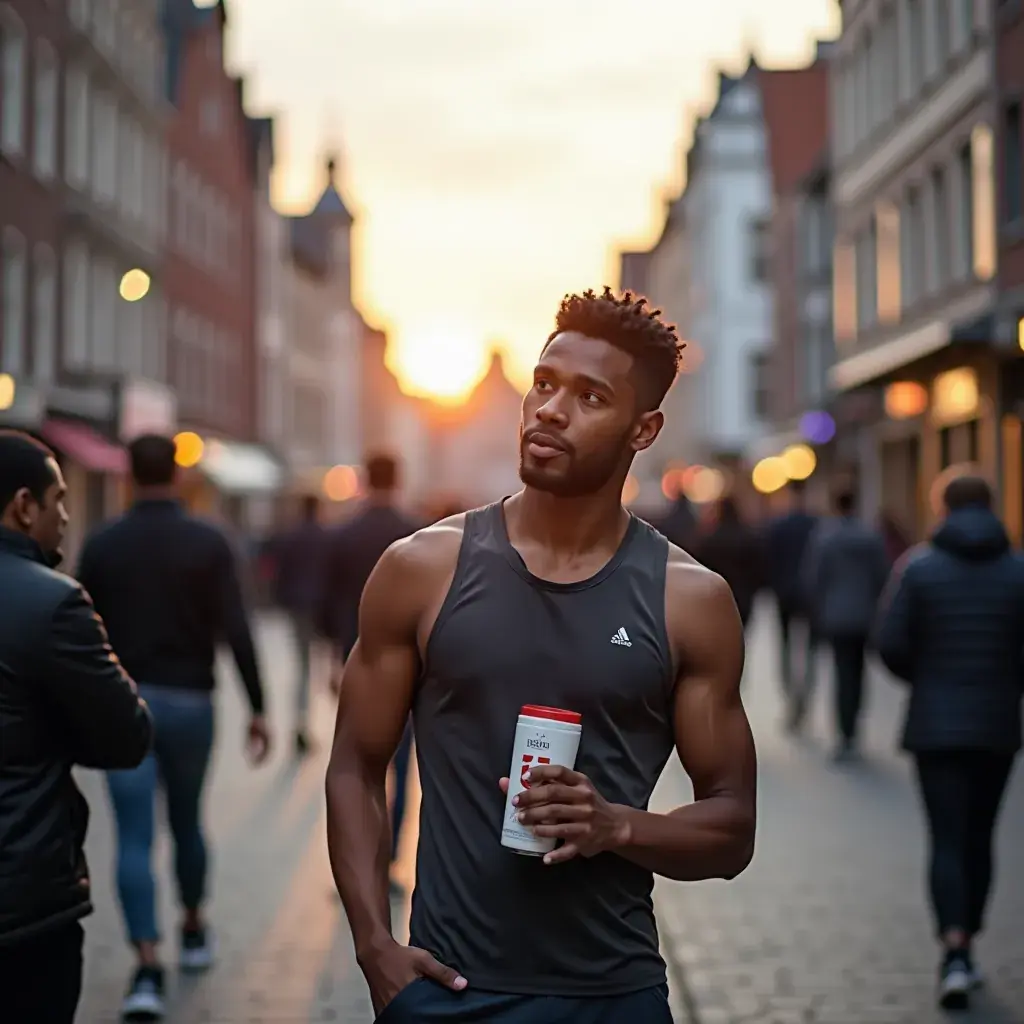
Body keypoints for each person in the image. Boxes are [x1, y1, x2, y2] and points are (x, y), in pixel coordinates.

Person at [326, 287, 757, 1023]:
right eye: (545, 383)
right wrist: (373, 945)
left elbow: (731, 825)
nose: (551, 410)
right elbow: (355, 768)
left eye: (591, 397)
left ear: (643, 429)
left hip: (613, 994)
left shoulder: (689, 599)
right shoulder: (421, 569)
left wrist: (617, 825)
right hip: (447, 988)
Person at [77, 434, 271, 1022]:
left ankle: (145, 965)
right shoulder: (209, 541)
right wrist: (259, 707)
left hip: (123, 704)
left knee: (133, 837)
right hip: (191, 703)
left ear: (128, 476)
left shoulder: (103, 545)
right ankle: (192, 927)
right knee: (187, 822)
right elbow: (237, 627)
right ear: (180, 475)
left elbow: (82, 635)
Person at [0, 430, 153, 1024]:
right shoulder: (54, 602)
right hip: (22, 903)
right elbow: (127, 737)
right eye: (59, 499)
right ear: (23, 505)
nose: (65, 516)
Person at [875, 473, 1024, 1010]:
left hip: (935, 727)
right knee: (980, 835)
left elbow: (889, 643)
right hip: (996, 725)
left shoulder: (918, 568)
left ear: (941, 508)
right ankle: (972, 940)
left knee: (946, 837)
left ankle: (953, 950)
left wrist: (928, 678)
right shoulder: (1017, 571)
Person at [320, 453, 420, 895]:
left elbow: (329, 601)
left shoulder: (344, 534)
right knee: (401, 768)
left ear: (365, 479)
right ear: (398, 480)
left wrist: (331, 661)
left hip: (356, 659)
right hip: (414, 669)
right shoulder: (418, 532)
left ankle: (357, 870)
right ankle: (389, 861)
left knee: (356, 769)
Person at [802, 490, 889, 760]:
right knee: (859, 672)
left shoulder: (825, 538)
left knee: (841, 673)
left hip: (835, 615)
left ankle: (844, 730)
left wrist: (814, 610)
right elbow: (883, 576)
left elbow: (814, 578)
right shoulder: (871, 537)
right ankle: (854, 726)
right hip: (864, 615)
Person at [271, 494, 327, 754]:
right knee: (313, 666)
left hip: (297, 606)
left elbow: (281, 573)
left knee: (303, 666)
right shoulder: (325, 537)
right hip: (319, 607)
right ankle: (305, 722)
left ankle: (301, 720)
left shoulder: (291, 536)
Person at [764, 481, 819, 729]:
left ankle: (791, 697)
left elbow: (769, 560)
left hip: (784, 593)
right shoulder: (815, 525)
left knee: (786, 647)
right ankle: (803, 698)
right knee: (809, 650)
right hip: (809, 594)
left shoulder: (778, 526)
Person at [691, 494, 764, 632]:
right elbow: (758, 567)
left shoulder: (710, 540)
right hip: (743, 597)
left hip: (716, 597)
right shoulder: (748, 537)